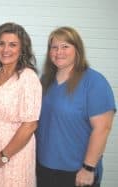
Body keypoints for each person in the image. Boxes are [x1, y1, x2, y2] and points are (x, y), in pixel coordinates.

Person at [36, 26, 116, 187]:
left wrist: (88, 167)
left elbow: (103, 128)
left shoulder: (94, 82)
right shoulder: (45, 81)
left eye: (65, 46)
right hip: (44, 166)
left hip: (77, 171)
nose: (59, 52)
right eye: (54, 47)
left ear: (77, 50)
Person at [0, 22, 42, 187]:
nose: (6, 49)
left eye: (13, 45)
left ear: (22, 50)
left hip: (14, 155)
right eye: (1, 44)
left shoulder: (28, 77)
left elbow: (30, 124)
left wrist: (4, 155)